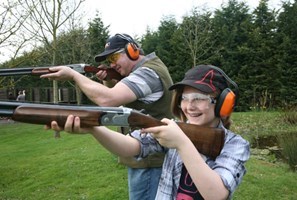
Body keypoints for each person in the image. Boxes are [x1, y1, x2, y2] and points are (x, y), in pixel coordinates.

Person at [48, 65, 250, 199]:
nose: (189, 106)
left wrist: (182, 143)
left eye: (199, 98)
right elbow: (131, 147)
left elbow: (216, 194)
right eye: (184, 98)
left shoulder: (235, 145)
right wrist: (94, 128)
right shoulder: (173, 128)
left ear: (223, 104)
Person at [41, 33, 174, 200]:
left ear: (133, 50)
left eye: (114, 57)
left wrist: (75, 75)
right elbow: (118, 97)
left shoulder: (147, 73)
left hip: (149, 161)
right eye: (109, 60)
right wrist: (108, 79)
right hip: (145, 156)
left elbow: (108, 99)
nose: (112, 64)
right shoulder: (147, 69)